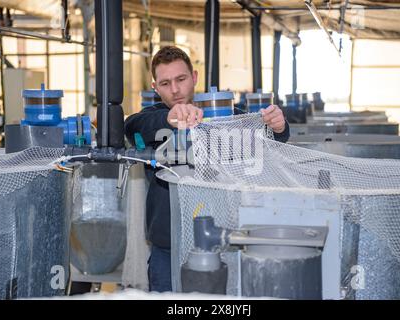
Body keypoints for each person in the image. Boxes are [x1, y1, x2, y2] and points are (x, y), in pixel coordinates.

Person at [124, 46, 290, 292]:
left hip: (225, 242)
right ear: (155, 87)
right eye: (166, 83)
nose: (176, 89)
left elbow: (270, 140)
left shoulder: (227, 116)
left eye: (181, 79)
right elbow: (132, 126)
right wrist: (169, 118)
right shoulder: (154, 118)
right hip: (167, 246)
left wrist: (278, 127)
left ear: (194, 77)